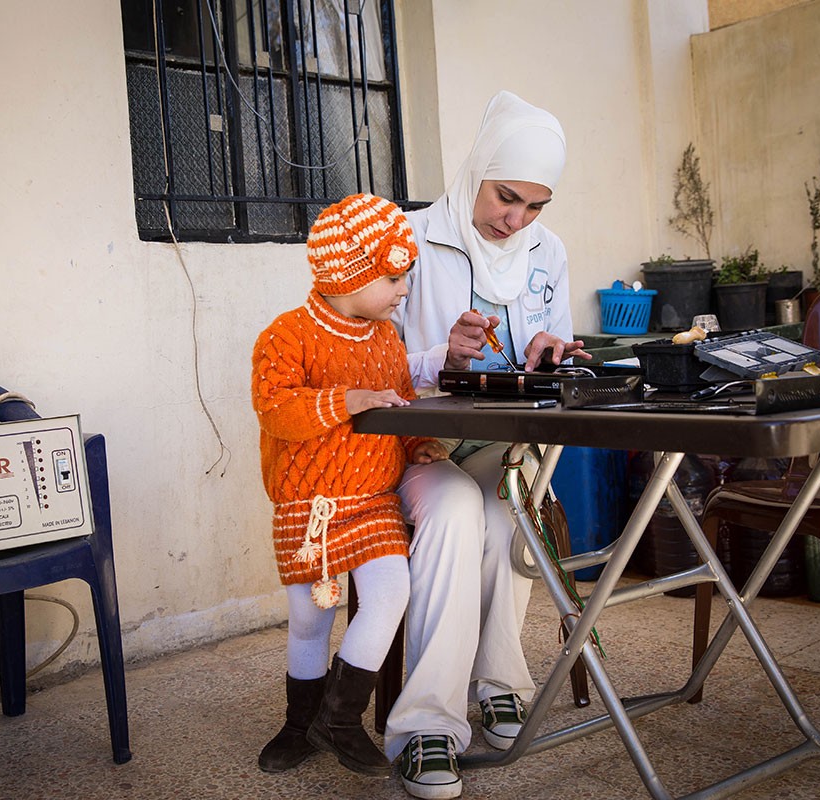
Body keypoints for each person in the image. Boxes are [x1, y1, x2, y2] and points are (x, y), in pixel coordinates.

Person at [386, 91, 591, 799]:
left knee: (511, 512)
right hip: (420, 448)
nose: (517, 219)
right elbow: (373, 370)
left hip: (502, 448)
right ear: (477, 170)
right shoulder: (408, 241)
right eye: (507, 197)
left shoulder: (547, 252)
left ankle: (500, 683)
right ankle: (426, 727)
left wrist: (549, 352)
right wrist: (447, 356)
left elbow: (555, 352)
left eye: (535, 206)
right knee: (456, 515)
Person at [251, 193, 451, 778]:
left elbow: (399, 405)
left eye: (405, 277)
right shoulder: (285, 336)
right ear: (349, 272)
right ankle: (299, 725)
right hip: (308, 506)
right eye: (393, 277)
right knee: (311, 618)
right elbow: (276, 411)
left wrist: (417, 444)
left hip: (372, 502)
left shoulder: (386, 340)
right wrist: (347, 400)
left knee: (391, 592)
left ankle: (339, 720)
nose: (403, 289)